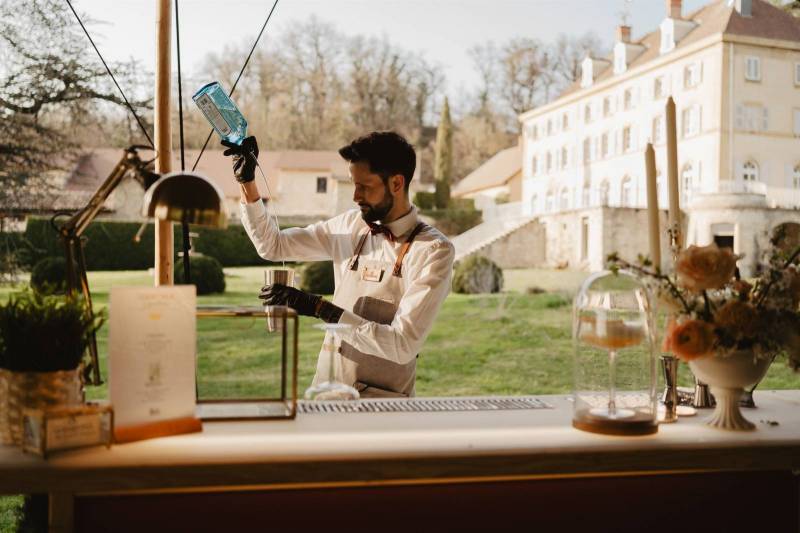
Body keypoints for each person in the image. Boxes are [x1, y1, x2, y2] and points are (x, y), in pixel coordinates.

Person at [223, 131, 455, 398]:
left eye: (365, 186)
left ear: (397, 183)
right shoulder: (349, 226)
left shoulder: (434, 251)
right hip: (325, 395)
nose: (356, 196)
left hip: (383, 412)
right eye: (353, 184)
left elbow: (402, 345)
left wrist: (320, 308)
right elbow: (273, 245)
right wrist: (247, 183)